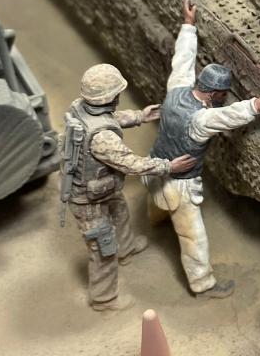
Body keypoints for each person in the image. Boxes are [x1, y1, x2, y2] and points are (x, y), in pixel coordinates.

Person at [146, 0, 260, 299]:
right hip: (180, 184)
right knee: (193, 237)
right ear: (216, 93)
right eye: (223, 93)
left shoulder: (176, 89)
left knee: (155, 199)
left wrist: (188, 26)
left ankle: (154, 221)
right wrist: (256, 106)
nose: (223, 97)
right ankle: (203, 284)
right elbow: (226, 117)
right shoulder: (200, 119)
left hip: (155, 166)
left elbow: (182, 60)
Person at [61, 64, 195, 311]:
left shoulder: (80, 106)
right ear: (110, 97)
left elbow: (108, 119)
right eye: (117, 94)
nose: (118, 98)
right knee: (103, 247)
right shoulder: (103, 139)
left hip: (103, 188)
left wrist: (140, 116)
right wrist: (168, 166)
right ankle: (104, 298)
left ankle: (127, 248)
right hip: (88, 200)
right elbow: (132, 164)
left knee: (120, 211)